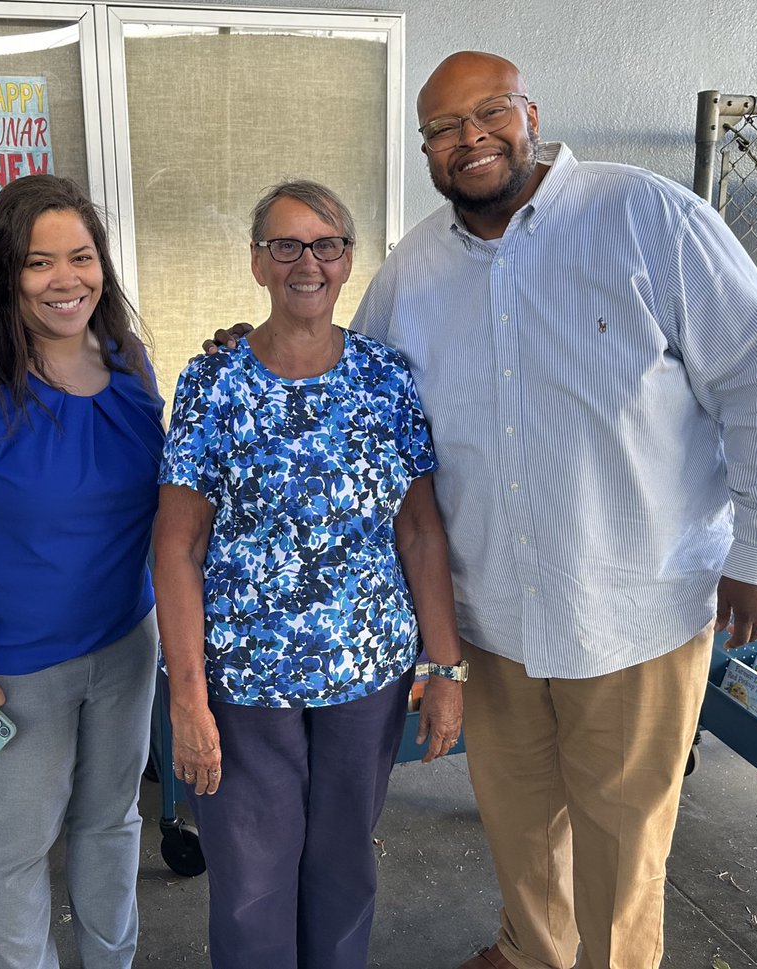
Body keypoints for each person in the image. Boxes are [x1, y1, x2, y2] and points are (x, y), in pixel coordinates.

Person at [209, 54, 757, 969]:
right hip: (492, 615)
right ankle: (534, 952)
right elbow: (346, 385)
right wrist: (252, 349)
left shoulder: (648, 217)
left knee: (623, 842)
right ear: (426, 149)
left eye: (489, 111)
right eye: (445, 128)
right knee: (522, 824)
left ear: (529, 110)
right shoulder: (413, 272)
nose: (471, 138)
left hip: (633, 609)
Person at [154, 178, 465, 969]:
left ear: (349, 260)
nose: (307, 263)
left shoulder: (385, 380)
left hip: (367, 674)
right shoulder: (213, 383)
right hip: (245, 682)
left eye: (325, 245)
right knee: (253, 886)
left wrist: (447, 665)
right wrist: (187, 694)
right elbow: (177, 546)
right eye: (285, 245)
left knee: (342, 868)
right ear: (257, 263)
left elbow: (421, 531)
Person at [0, 174, 164, 969]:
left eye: (80, 257)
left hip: (124, 643)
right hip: (11, 669)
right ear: (5, 273)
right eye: (39, 263)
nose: (65, 279)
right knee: (16, 846)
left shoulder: (126, 361)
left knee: (110, 821)